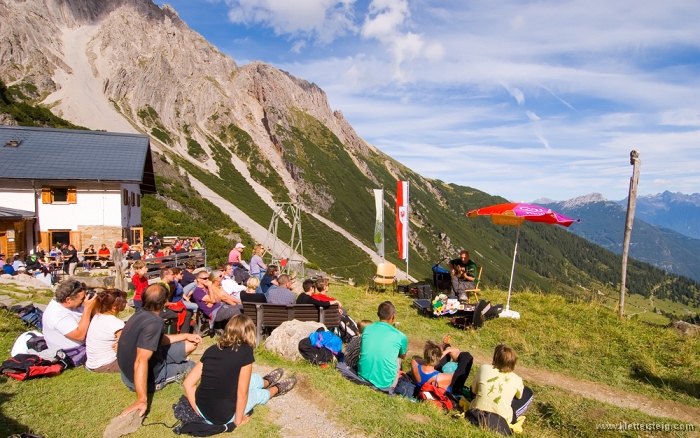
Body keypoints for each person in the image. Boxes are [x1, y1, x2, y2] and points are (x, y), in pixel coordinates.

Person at [183, 315, 297, 426]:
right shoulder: (245, 351)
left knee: (253, 379)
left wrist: (198, 411)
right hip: (224, 416)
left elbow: (188, 384)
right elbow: (242, 393)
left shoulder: (211, 350)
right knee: (257, 394)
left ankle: (266, 381)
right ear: (249, 333)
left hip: (203, 408)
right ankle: (277, 388)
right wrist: (238, 421)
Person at [118, 284, 202, 418]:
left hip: (151, 359)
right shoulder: (154, 321)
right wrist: (141, 399)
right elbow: (141, 360)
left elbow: (158, 339)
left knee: (191, 344)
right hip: (147, 377)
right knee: (193, 368)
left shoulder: (138, 314)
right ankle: (165, 375)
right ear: (164, 302)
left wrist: (186, 336)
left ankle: (175, 362)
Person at [467, 344, 534, 435]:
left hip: (476, 410)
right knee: (528, 392)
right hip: (502, 417)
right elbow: (519, 396)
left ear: (495, 358)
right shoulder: (516, 379)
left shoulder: (484, 368)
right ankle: (508, 413)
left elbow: (473, 390)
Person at [357, 301, 408, 391]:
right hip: (386, 383)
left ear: (378, 314)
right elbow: (402, 356)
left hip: (362, 375)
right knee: (397, 359)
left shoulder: (367, 329)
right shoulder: (400, 336)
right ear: (393, 316)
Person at [41, 280, 97, 360]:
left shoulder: (71, 305)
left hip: (81, 347)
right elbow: (79, 336)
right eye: (82, 299)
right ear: (68, 300)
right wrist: (88, 308)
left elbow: (92, 317)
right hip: (73, 353)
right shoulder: (57, 314)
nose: (84, 300)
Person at [86, 289, 127, 373]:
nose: (126, 302)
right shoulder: (115, 323)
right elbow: (127, 345)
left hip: (92, 364)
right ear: (114, 306)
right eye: (123, 301)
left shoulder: (97, 316)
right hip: (107, 365)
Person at [158, 267, 193, 334]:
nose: (173, 275)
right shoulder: (163, 286)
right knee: (187, 314)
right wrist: (174, 304)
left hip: (163, 309)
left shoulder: (164, 284)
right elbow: (163, 303)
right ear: (166, 276)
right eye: (172, 274)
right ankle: (183, 335)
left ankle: (178, 330)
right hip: (161, 311)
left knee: (185, 310)